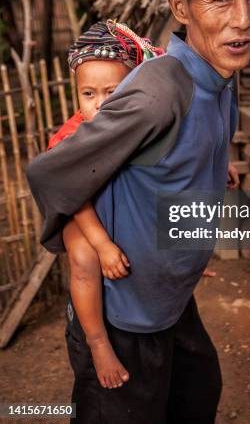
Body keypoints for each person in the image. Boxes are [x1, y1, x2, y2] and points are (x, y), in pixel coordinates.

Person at [27, 0, 250, 424]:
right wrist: (94, 249)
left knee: (195, 396)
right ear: (179, 7)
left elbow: (178, 163)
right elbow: (52, 174)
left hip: (170, 296)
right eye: (221, 0)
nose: (244, 20)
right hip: (125, 312)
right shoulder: (158, 92)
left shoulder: (223, 77)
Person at [48, 20, 163, 390]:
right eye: (89, 94)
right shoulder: (74, 137)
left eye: (113, 92)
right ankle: (98, 343)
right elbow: (73, 194)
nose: (100, 104)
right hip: (82, 210)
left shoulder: (140, 124)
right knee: (84, 259)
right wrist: (102, 243)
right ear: (76, 94)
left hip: (121, 205)